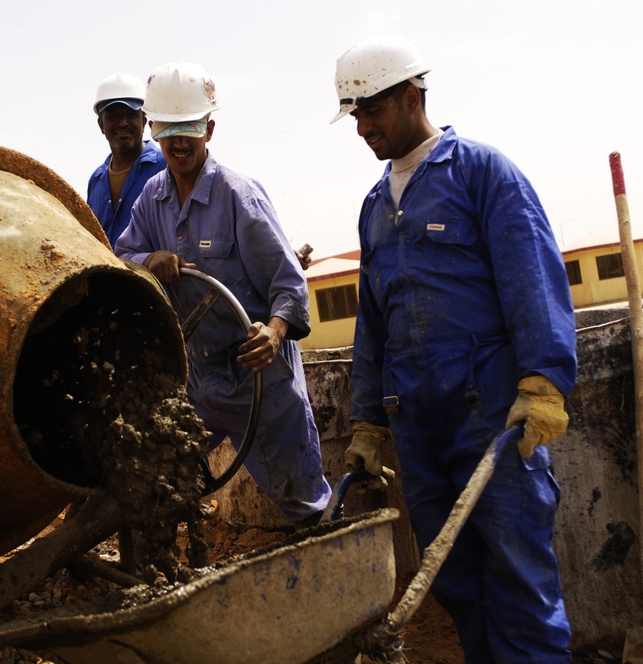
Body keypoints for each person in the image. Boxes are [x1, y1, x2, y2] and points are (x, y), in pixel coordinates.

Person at [332, 35, 577, 661]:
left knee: (520, 578)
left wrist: (544, 380)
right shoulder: (375, 206)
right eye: (354, 115)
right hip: (418, 424)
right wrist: (364, 423)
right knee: (457, 581)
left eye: (372, 110)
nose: (362, 127)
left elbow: (532, 277)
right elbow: (374, 325)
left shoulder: (481, 172)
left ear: (413, 96)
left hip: (490, 415)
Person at [115, 61, 331, 527]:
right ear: (153, 128)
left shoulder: (239, 196)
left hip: (259, 382)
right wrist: (149, 260)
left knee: (304, 501)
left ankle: (331, 562)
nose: (178, 141)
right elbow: (121, 258)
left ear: (209, 128)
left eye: (189, 127)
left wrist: (274, 334)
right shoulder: (151, 197)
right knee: (162, 480)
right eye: (168, 127)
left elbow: (288, 284)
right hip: (197, 383)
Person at [87, 72, 167, 248]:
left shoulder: (166, 167)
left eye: (131, 114)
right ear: (101, 124)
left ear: (144, 121)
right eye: (114, 116)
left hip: (153, 275)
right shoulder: (96, 180)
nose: (123, 123)